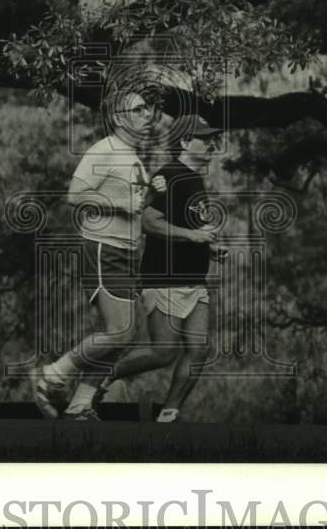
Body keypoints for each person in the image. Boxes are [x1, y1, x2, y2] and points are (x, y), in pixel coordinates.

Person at [30, 87, 164, 420]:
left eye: (150, 112)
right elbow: (75, 195)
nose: (147, 117)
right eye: (139, 110)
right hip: (103, 250)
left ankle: (80, 405)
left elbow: (133, 210)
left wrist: (151, 196)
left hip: (126, 254)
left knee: (125, 334)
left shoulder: (132, 157)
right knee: (120, 330)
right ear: (119, 117)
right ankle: (53, 375)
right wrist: (120, 203)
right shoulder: (104, 150)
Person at [95, 114, 227, 423]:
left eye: (212, 139)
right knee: (163, 352)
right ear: (183, 142)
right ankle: (101, 376)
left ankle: (169, 414)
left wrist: (210, 246)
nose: (211, 144)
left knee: (199, 349)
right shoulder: (169, 175)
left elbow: (189, 224)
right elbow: (148, 221)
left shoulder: (193, 179)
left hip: (195, 281)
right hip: (164, 278)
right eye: (204, 139)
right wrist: (194, 236)